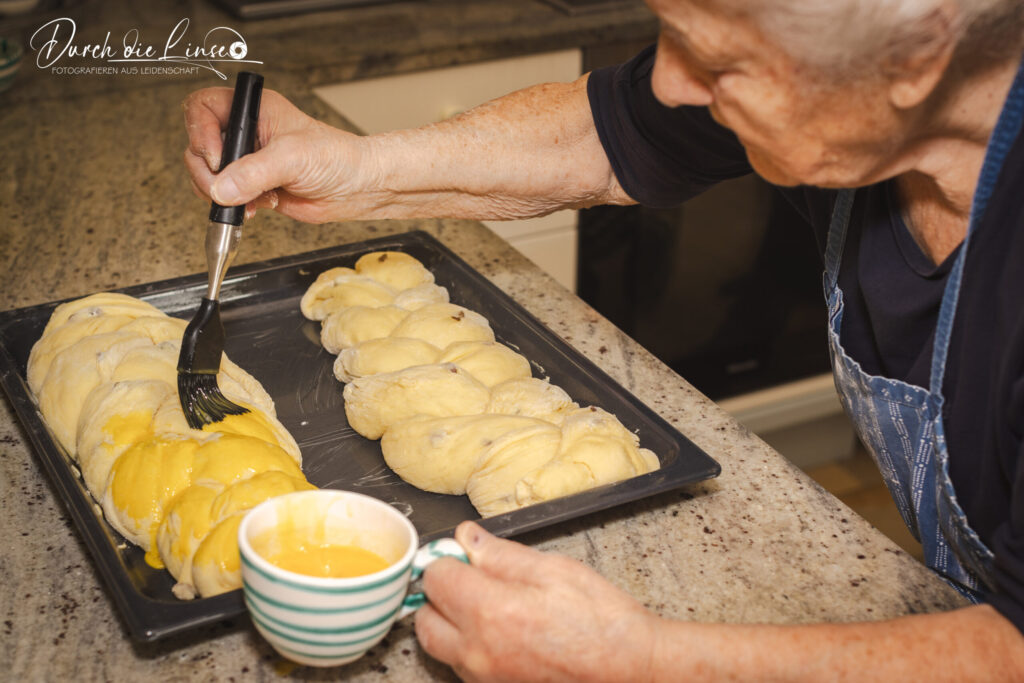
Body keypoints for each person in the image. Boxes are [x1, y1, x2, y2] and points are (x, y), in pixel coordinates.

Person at [183, 0, 1024, 678]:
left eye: (717, 58)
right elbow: (608, 132)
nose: (669, 80)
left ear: (916, 58)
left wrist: (646, 661)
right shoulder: (848, 89)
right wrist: (351, 169)